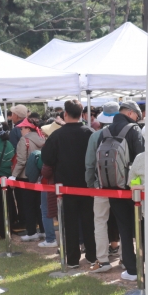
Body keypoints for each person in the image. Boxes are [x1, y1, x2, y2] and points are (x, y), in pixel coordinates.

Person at [85, 100, 144, 277]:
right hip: (133, 188)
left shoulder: (104, 132)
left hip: (111, 186)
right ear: (132, 113)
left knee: (123, 227)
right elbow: (141, 159)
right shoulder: (133, 130)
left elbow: (94, 163)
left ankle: (129, 266)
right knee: (140, 227)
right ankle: (142, 265)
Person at [42, 100, 95, 268]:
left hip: (64, 186)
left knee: (69, 223)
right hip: (87, 185)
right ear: (82, 114)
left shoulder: (56, 135)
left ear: (65, 114)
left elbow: (47, 159)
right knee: (89, 221)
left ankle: (72, 259)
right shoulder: (90, 133)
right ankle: (92, 256)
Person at [10, 118, 46, 242]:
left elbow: (21, 161)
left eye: (22, 128)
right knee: (40, 205)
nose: (20, 130)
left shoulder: (23, 140)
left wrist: (13, 175)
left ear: (28, 128)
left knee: (28, 206)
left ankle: (31, 232)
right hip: (40, 177)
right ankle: (43, 230)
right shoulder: (43, 138)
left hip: (26, 177)